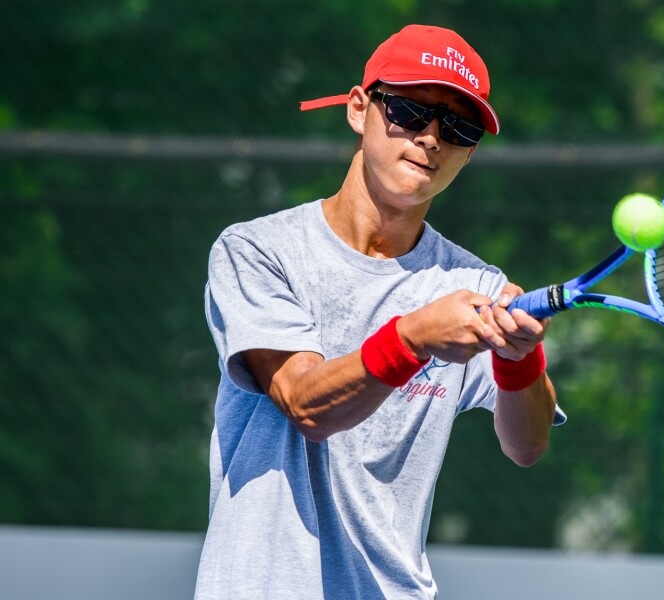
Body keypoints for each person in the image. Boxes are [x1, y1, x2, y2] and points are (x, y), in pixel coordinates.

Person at [194, 24, 565, 599]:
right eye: (410, 111)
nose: (431, 139)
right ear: (358, 108)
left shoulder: (477, 285)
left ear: (468, 154)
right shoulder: (257, 251)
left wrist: (521, 358)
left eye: (459, 127)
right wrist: (413, 338)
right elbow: (304, 404)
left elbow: (528, 445)